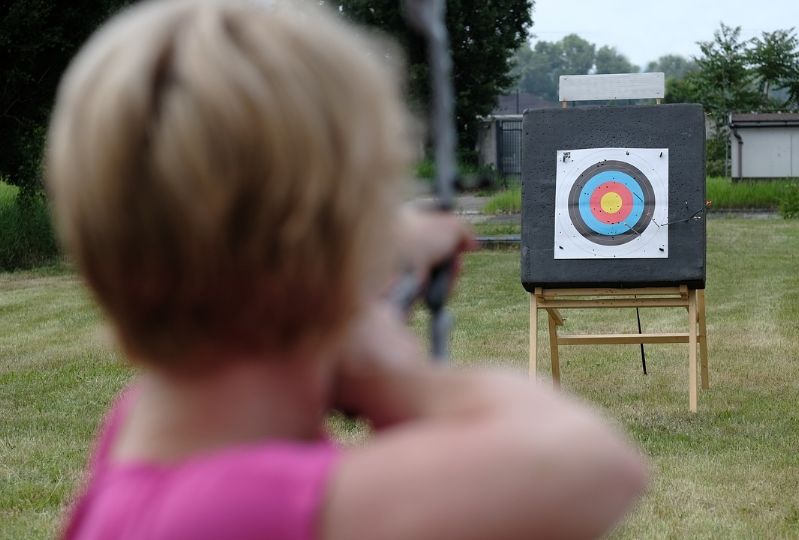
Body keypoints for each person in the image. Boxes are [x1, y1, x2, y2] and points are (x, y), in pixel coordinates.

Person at [46, 1, 650, 538]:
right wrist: (396, 376)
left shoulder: (146, 433)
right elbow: (594, 464)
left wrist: (360, 262)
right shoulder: (237, 510)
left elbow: (256, 272)